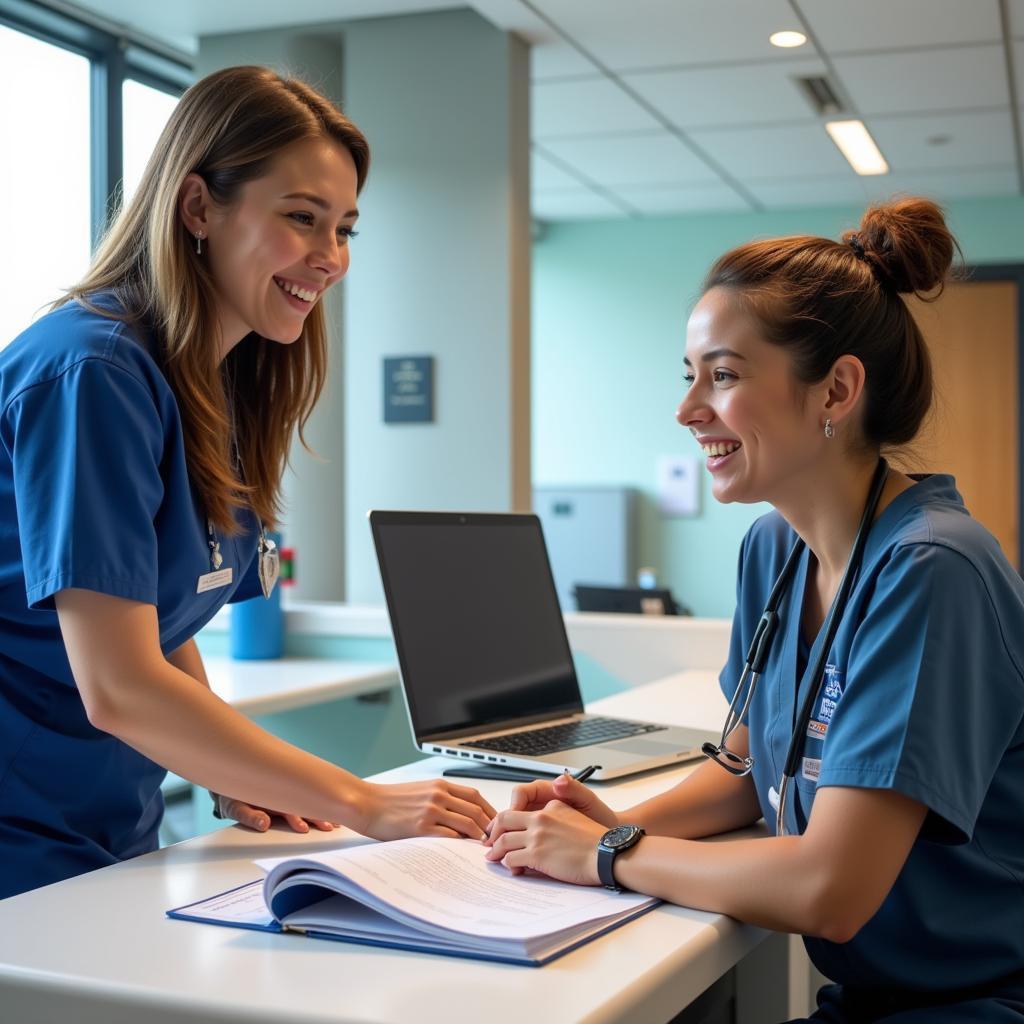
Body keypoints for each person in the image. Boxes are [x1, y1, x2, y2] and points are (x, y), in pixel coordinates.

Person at [484, 198, 1024, 1021]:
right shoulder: (775, 550)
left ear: (836, 390)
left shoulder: (930, 569)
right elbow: (747, 773)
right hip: (877, 995)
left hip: (980, 1003)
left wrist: (607, 853)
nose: (688, 408)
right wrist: (615, 819)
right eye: (691, 374)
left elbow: (830, 889)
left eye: (724, 375)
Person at [0, 65, 494, 902]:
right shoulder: (93, 371)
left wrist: (233, 770)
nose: (330, 258)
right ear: (198, 207)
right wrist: (360, 800)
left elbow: (154, 618)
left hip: (108, 819)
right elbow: (118, 683)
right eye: (301, 219)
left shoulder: (212, 383)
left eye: (345, 230)